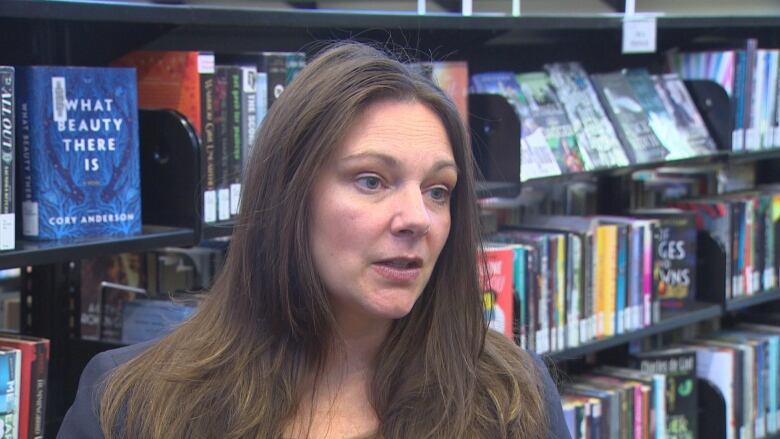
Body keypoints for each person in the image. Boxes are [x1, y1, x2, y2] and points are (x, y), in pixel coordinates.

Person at [58, 42, 570, 439]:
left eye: (438, 191)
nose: (418, 218)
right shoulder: (131, 400)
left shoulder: (509, 397)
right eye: (371, 180)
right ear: (290, 196)